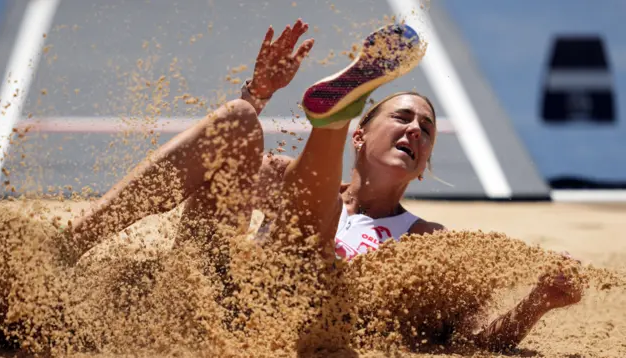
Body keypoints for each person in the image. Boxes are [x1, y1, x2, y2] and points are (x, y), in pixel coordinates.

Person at [57, 19, 581, 352]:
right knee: (239, 119)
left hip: (292, 322)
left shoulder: (429, 242)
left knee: (316, 242)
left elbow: (468, 340)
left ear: (422, 167)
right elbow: (213, 169)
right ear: (362, 136)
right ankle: (71, 243)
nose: (415, 131)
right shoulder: (287, 177)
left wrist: (538, 303)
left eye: (426, 130)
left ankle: (325, 120)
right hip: (210, 292)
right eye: (401, 118)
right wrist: (256, 94)